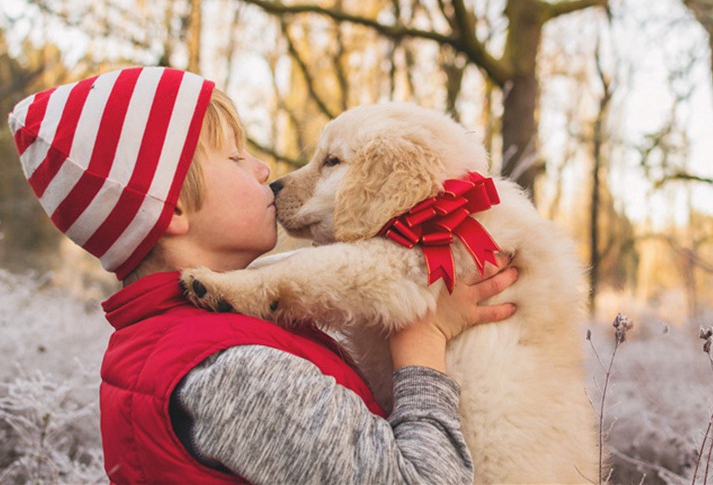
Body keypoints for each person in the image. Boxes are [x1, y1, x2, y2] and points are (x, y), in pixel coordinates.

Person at [8, 66, 517, 484]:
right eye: (234, 156)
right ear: (172, 210)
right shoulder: (229, 373)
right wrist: (423, 337)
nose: (261, 169)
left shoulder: (193, 337)